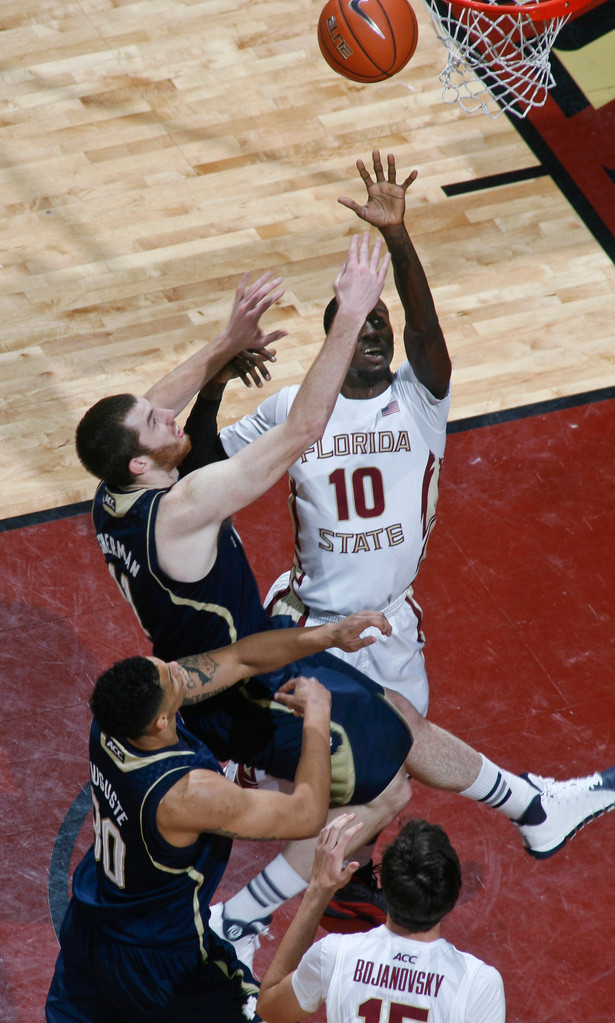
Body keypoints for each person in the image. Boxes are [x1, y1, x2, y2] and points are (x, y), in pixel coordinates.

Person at [75, 199, 615, 966]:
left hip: (260, 650)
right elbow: (298, 430)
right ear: (142, 462)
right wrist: (347, 310)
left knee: (395, 722)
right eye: (155, 423)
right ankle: (239, 917)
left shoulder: (112, 497)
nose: (165, 413)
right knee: (383, 788)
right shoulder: (189, 497)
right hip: (249, 670)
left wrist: (226, 343)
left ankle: (533, 804)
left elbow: (156, 412)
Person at [46, 613, 400, 1023]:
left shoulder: (111, 723)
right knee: (260, 1014)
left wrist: (327, 635)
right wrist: (319, 716)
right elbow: (306, 813)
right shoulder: (187, 794)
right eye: (171, 678)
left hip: (91, 921)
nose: (178, 669)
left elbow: (239, 659)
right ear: (161, 722)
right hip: (159, 958)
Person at [221, 151, 451, 717]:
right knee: (301, 774)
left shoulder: (418, 399)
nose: (374, 328)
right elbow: (205, 463)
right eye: (360, 320)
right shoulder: (291, 409)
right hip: (312, 625)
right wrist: (213, 381)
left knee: (396, 771)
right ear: (336, 337)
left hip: (391, 623)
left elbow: (424, 327)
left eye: (382, 321)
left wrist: (397, 236)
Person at [256, 815, 506, 1023]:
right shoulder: (480, 984)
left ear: (381, 881)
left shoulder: (335, 954)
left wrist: (318, 890)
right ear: (453, 895)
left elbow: (270, 1008)